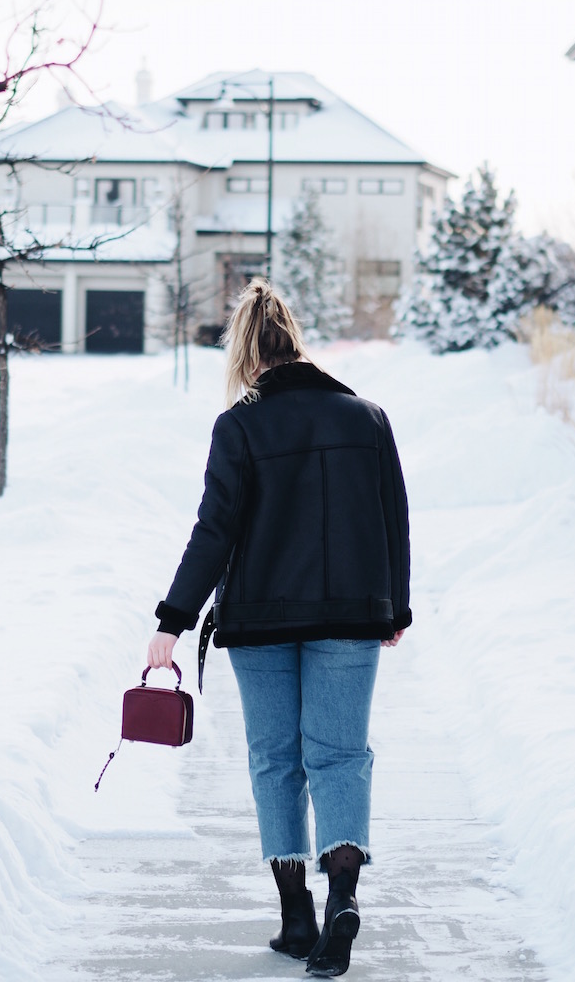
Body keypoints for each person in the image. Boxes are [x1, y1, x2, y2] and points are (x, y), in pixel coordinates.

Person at [147, 278, 410, 978]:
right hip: (354, 614)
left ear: (245, 353)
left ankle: (296, 916)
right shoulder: (368, 419)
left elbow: (214, 532)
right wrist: (397, 609)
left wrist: (172, 622)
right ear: (297, 342)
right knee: (340, 756)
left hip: (260, 622)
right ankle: (343, 900)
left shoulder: (238, 425)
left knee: (275, 760)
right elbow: (394, 524)